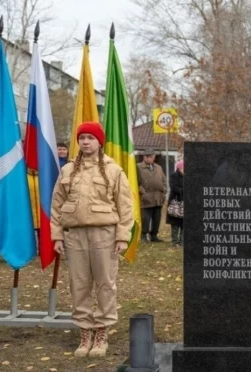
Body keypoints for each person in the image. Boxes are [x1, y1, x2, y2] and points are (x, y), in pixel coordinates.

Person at [51, 122, 133, 358]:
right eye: (82, 137)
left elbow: (125, 206)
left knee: (105, 283)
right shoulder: (67, 171)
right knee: (79, 284)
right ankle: (85, 332)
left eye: (90, 138)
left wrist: (122, 237)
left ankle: (102, 333)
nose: (86, 142)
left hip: (104, 234)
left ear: (99, 142)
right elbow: (56, 206)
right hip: (75, 235)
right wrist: (57, 235)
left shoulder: (112, 170)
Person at [137, 149, 167, 242]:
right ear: (144, 157)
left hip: (158, 197)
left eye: (151, 156)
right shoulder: (138, 167)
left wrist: (164, 190)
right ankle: (143, 236)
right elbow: (135, 182)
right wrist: (142, 192)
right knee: (145, 218)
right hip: (146, 198)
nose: (149, 158)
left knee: (157, 218)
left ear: (154, 157)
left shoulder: (158, 167)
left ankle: (154, 236)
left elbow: (164, 180)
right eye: (147, 156)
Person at [167, 161, 184, 247]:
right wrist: (183, 190)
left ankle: (182, 242)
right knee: (175, 223)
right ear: (179, 168)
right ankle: (174, 241)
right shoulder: (173, 175)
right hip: (175, 202)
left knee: (184, 223)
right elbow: (173, 187)